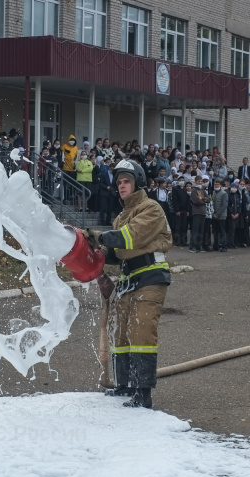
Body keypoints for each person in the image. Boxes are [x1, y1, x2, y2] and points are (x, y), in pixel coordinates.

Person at [84, 160, 172, 409]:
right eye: (119, 182)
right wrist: (94, 251)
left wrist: (97, 235)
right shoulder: (122, 215)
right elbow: (116, 253)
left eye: (126, 181)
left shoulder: (151, 209)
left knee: (141, 332)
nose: (121, 186)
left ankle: (142, 393)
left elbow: (129, 237)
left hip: (151, 277)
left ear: (138, 183)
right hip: (128, 279)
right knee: (120, 333)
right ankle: (124, 385)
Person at [211, 179, 228, 252]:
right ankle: (216, 245)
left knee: (222, 231)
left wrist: (217, 214)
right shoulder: (213, 192)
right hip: (214, 215)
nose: (216, 185)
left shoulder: (224, 193)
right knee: (215, 231)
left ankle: (223, 246)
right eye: (215, 184)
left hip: (221, 216)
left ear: (221, 185)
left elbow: (224, 205)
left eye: (217, 184)